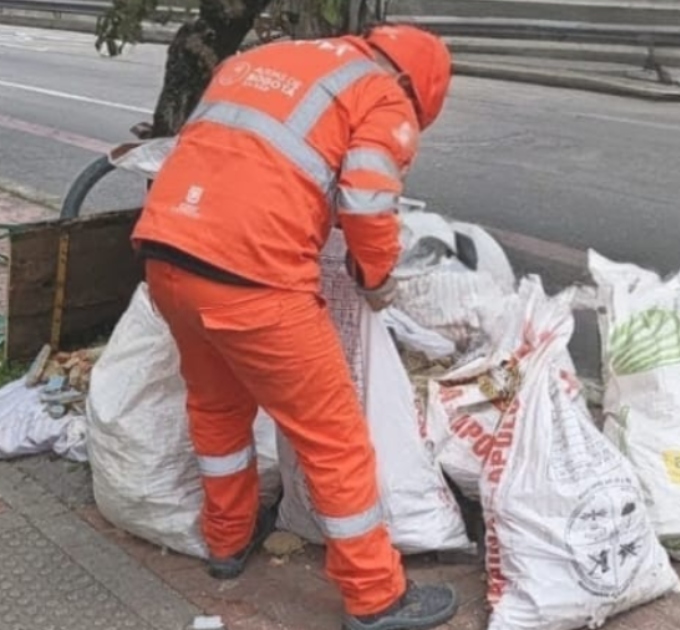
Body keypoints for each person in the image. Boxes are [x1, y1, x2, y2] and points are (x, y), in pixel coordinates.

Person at [130, 22, 457, 630]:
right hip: (253, 280)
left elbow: (240, 160)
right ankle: (375, 595)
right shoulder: (384, 93)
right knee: (333, 438)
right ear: (422, 91)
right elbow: (365, 200)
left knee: (217, 407)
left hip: (166, 257)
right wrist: (376, 278)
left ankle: (226, 540)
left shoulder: (267, 58)